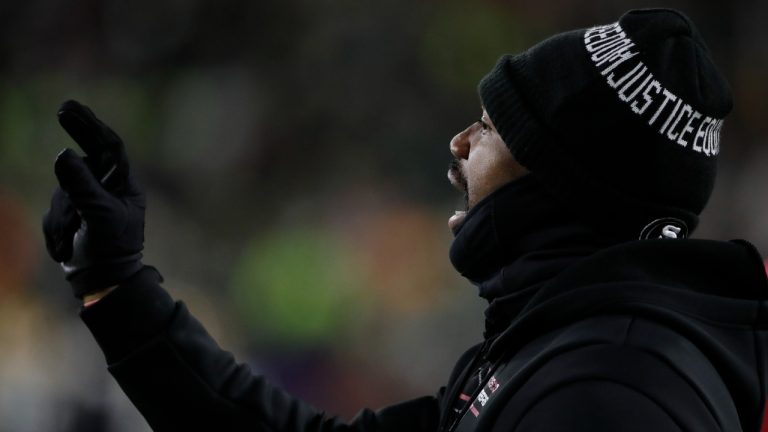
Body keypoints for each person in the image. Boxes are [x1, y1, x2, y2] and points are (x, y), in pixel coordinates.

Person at [43, 8, 768, 432]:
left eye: (490, 127)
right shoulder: (570, 349)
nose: (457, 143)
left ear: (562, 182)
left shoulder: (610, 392)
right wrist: (115, 285)